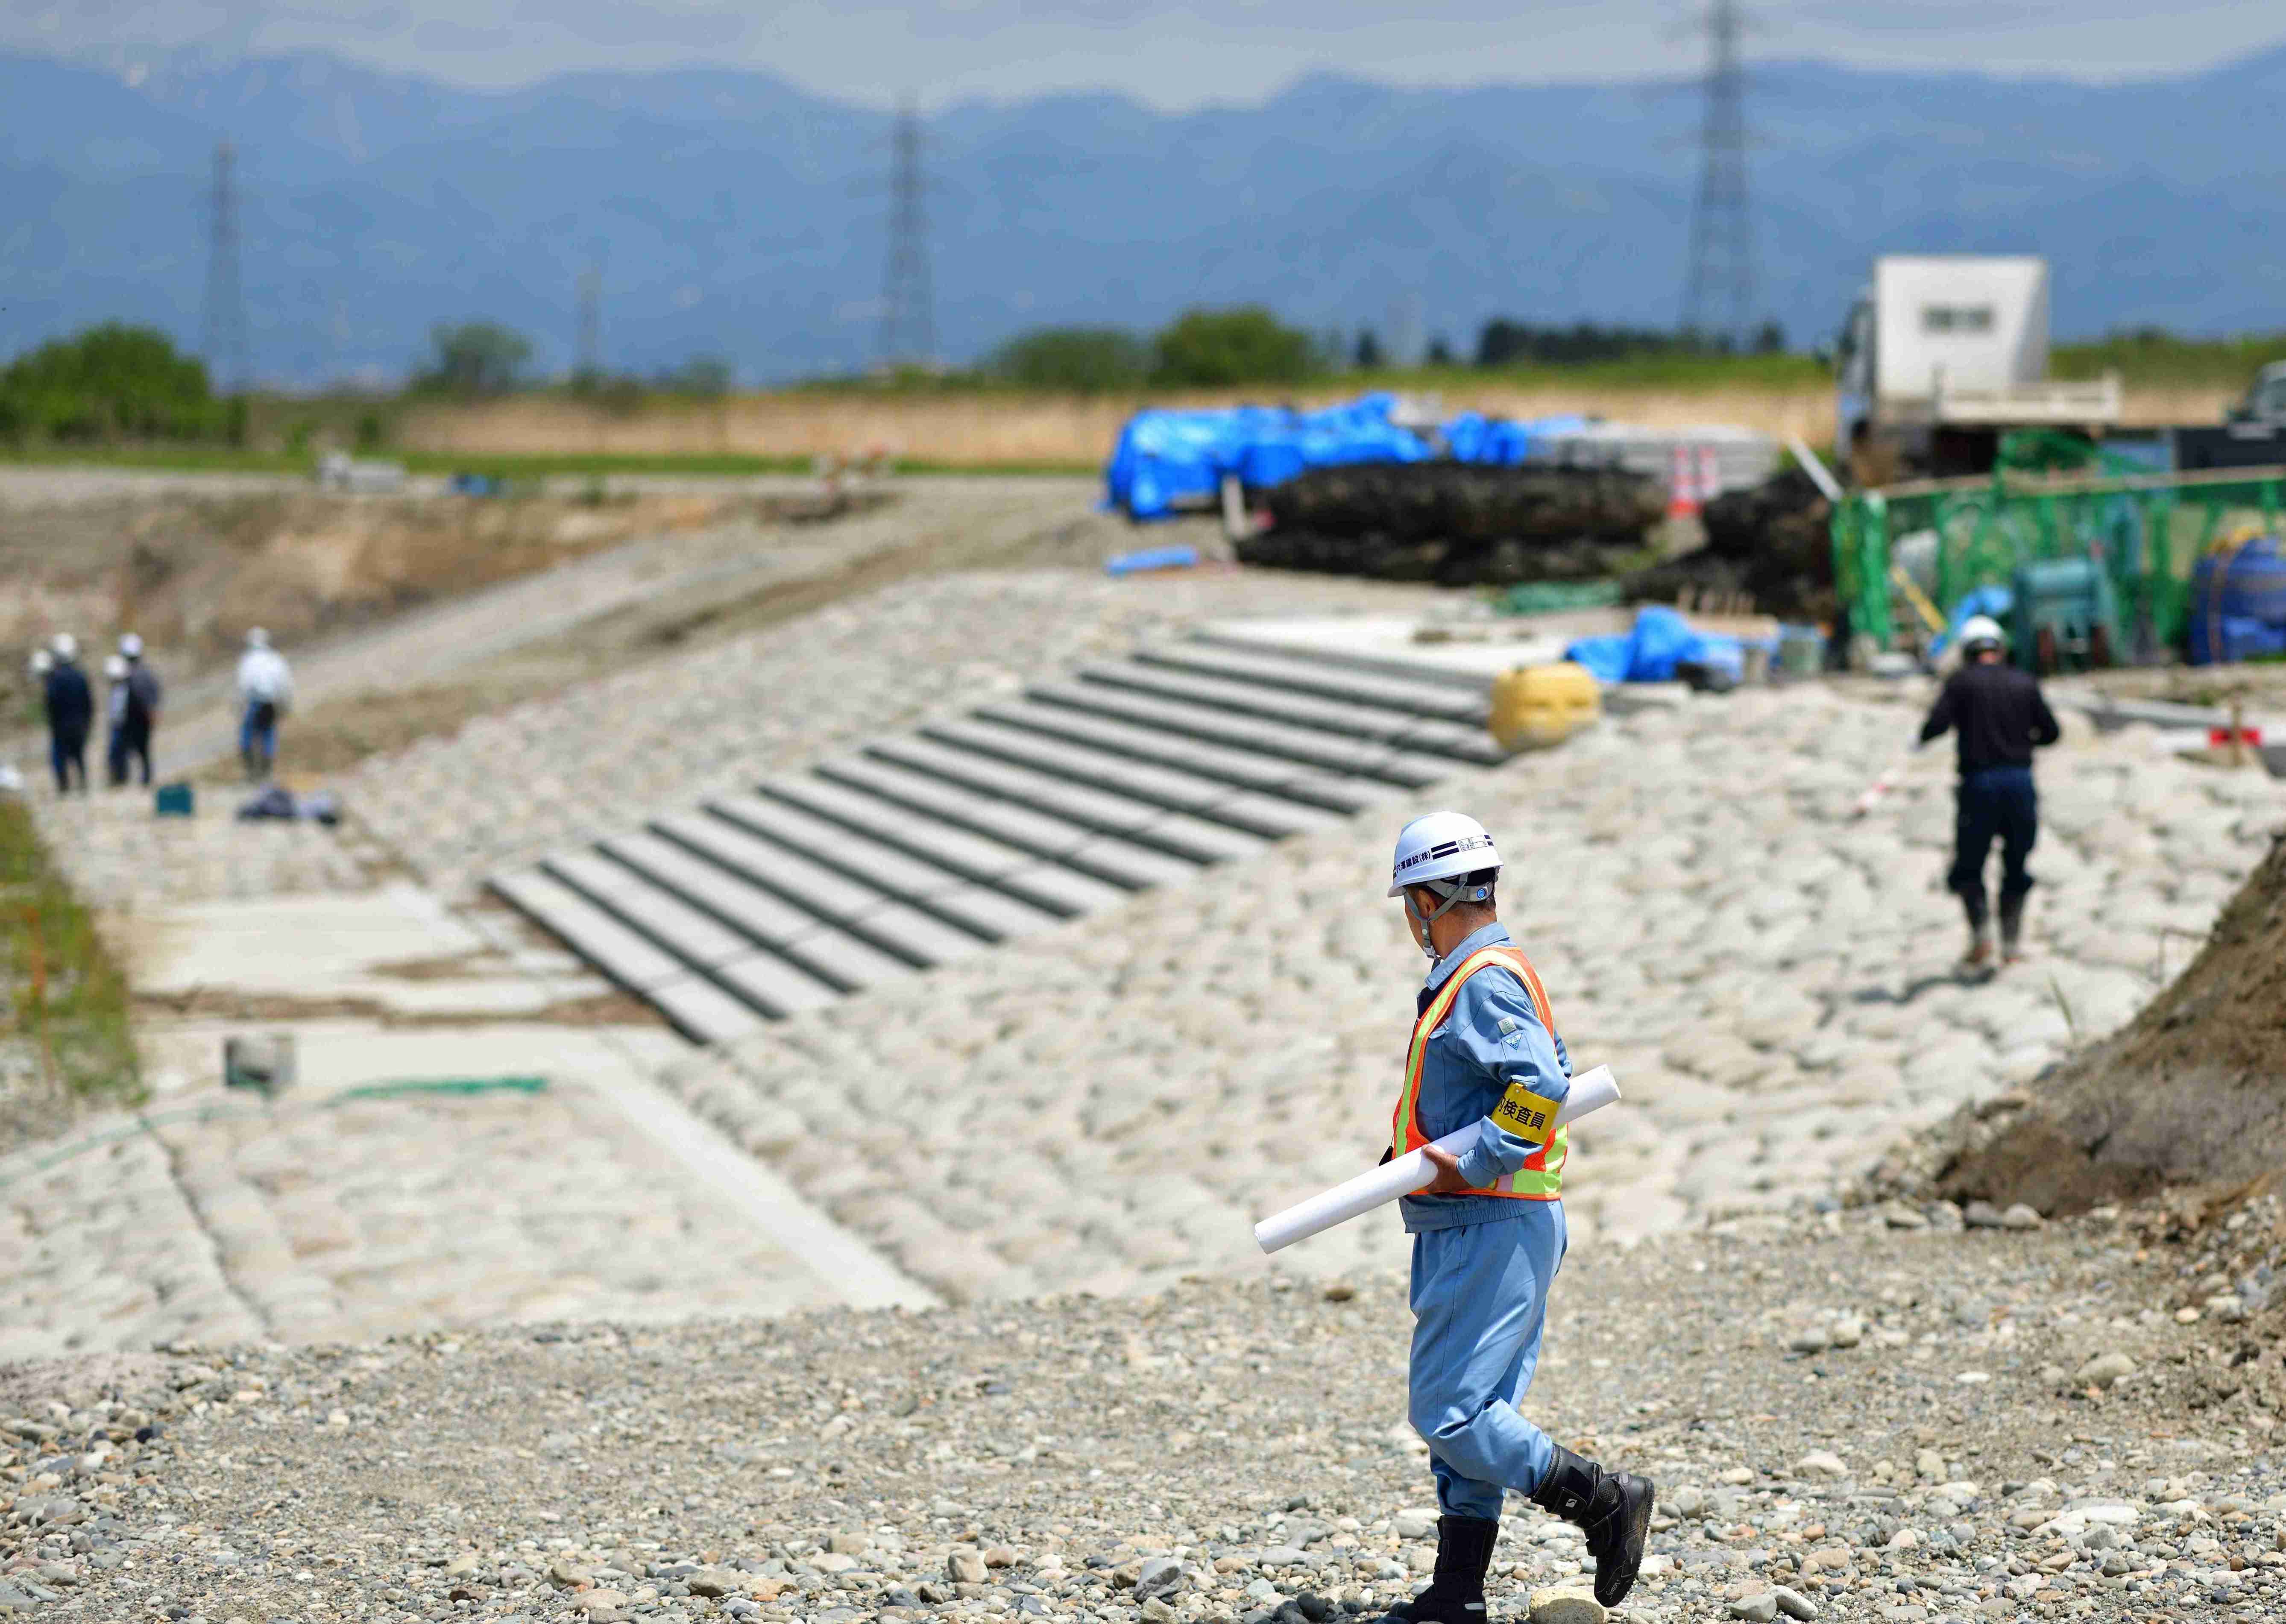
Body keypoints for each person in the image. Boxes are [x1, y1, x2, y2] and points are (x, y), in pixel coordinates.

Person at [1375, 812, 1652, 1621]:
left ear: (1430, 898)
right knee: (1474, 1406)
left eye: (1406, 902)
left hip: (1488, 1217)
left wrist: (1480, 1157)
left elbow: (1541, 1085)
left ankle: (1601, 1499)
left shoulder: (1482, 978)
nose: (1406, 919)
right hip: (1479, 1219)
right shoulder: (1485, 974)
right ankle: (1457, 1590)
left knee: (1449, 1411)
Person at [1918, 614, 2061, 967]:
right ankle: (2011, 945)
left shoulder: (1960, 684)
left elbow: (1934, 726)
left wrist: (1918, 741)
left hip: (1978, 786)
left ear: (1968, 651)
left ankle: (1981, 934)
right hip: (2020, 784)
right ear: (2000, 647)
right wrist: (2023, 742)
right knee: (2017, 865)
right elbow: (2052, 733)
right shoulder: (2025, 682)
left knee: (1969, 866)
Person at [234, 627, 293, 782]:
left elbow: (243, 685)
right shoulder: (275, 659)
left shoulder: (248, 661)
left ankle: (251, 772)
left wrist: (240, 705)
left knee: (247, 736)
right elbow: (285, 683)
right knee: (268, 734)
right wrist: (285, 705)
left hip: (255, 702)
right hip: (271, 703)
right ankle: (266, 772)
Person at [41, 633, 92, 794]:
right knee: (79, 756)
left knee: (60, 758)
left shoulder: (54, 679)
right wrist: (87, 723)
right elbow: (88, 703)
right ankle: (83, 783)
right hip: (79, 724)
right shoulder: (80, 676)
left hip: (61, 726)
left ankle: (64, 786)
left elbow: (51, 704)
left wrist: (52, 722)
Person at [118, 633, 161, 786]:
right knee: (143, 750)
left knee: (135, 750)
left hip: (136, 719)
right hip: (142, 718)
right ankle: (144, 778)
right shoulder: (145, 673)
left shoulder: (132, 675)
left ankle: (136, 779)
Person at [102, 654, 132, 786]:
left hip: (122, 726)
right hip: (117, 725)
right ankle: (118, 778)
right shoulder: (117, 690)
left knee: (119, 753)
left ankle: (121, 778)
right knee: (116, 754)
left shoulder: (124, 690)